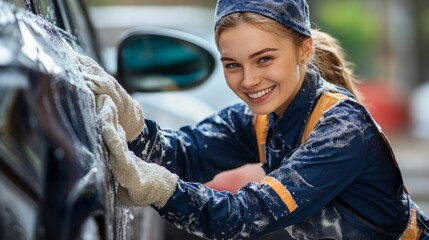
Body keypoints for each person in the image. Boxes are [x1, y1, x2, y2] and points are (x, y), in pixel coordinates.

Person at [74, 0, 429, 239]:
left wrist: (161, 189)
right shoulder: (261, 118)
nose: (247, 81)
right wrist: (131, 121)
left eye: (264, 59)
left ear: (304, 50)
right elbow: (183, 154)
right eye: (233, 65)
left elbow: (245, 215)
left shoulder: (343, 131)